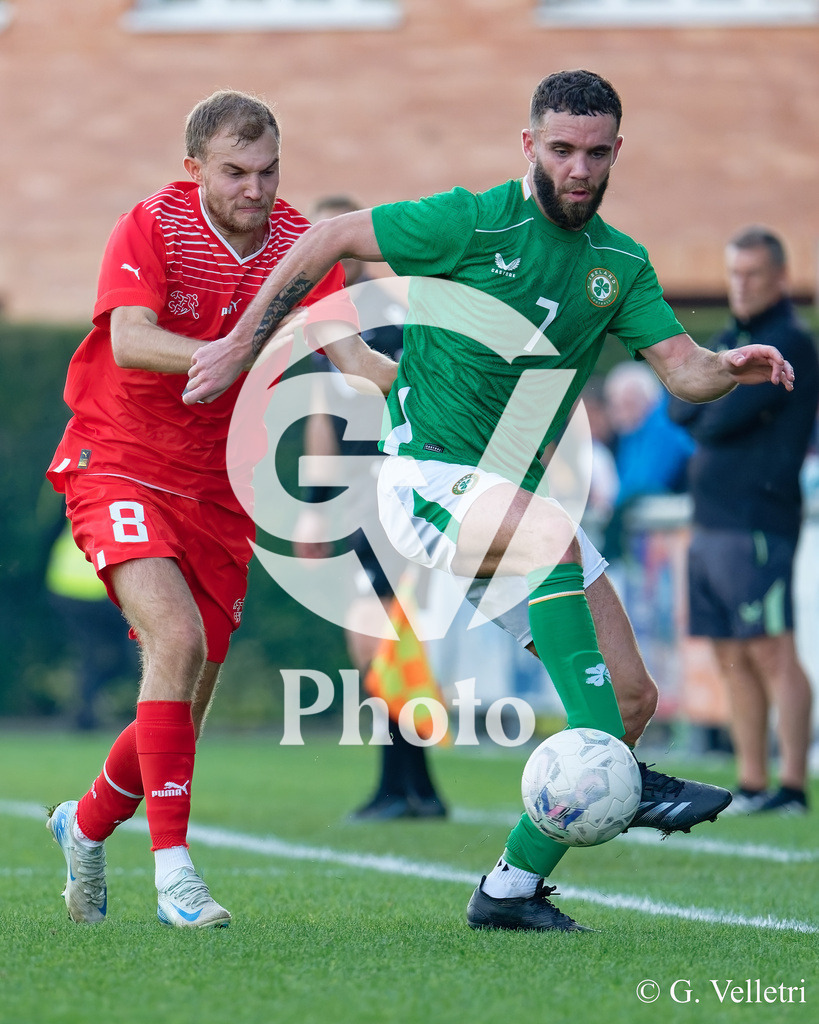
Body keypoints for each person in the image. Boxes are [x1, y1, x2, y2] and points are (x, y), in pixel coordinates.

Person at [183, 70, 795, 932]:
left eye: (593, 152)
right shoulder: (471, 221)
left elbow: (684, 371)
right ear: (529, 146)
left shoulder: (619, 264)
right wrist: (243, 343)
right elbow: (327, 238)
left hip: (510, 508)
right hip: (425, 483)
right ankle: (629, 781)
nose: (577, 169)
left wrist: (725, 371)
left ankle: (509, 888)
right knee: (549, 540)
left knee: (629, 702)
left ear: (616, 151)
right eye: (560, 150)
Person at [43, 90, 367, 928]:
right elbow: (130, 339)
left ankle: (82, 826)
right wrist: (232, 356)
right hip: (117, 458)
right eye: (233, 172)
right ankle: (175, 875)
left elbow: (354, 357)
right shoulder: (150, 224)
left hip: (221, 486)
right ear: (193, 170)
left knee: (185, 698)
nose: (254, 190)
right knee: (175, 640)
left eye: (267, 171)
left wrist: (459, 404)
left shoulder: (300, 244)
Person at [294, 194, 447, 820]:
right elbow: (318, 413)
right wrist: (313, 506)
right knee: (379, 637)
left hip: (395, 484)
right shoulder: (324, 314)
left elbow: (415, 397)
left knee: (377, 634)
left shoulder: (390, 311)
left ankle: (403, 785)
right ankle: (416, 788)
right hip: (357, 496)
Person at [669, 226, 818, 816]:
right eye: (734, 272)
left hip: (757, 519)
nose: (742, 284)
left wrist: (704, 394)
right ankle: (752, 783)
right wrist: (703, 393)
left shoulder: (791, 343)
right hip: (710, 520)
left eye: (754, 273)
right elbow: (679, 402)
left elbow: (710, 419)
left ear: (780, 278)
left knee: (771, 649)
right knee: (731, 652)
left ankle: (792, 786)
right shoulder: (735, 338)